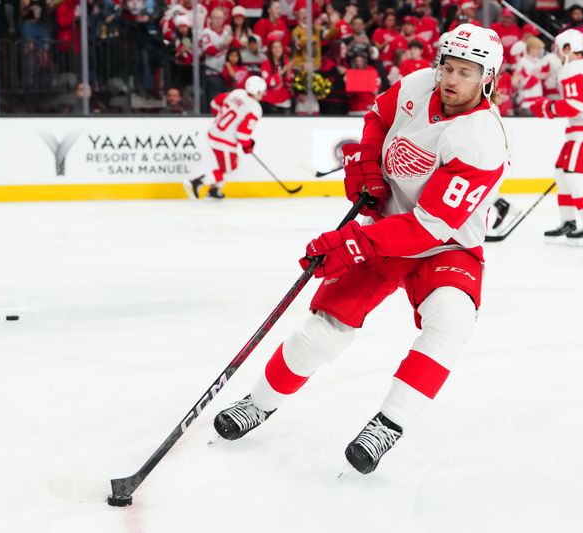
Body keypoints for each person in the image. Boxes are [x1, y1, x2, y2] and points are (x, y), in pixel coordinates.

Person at [212, 23, 509, 475]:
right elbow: (377, 119)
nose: (450, 79)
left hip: (446, 242)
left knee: (451, 322)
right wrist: (366, 166)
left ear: (488, 78)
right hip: (386, 224)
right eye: (447, 66)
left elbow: (429, 226)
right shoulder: (415, 84)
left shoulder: (481, 140)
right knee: (325, 327)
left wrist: (351, 243)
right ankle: (259, 403)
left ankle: (388, 424)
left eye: (466, 72)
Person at [529, 29, 583, 246]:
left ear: (568, 48)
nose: (556, 52)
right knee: (561, 172)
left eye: (558, 48)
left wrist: (547, 108)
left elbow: (575, 105)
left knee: (574, 174)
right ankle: (569, 222)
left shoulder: (572, 68)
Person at [184, 76, 267, 200]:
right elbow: (242, 135)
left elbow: (214, 104)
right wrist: (248, 145)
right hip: (224, 142)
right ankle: (195, 182)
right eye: (262, 91)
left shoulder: (236, 93)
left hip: (214, 133)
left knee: (232, 164)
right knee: (230, 170)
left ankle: (214, 190)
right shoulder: (255, 108)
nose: (263, 94)